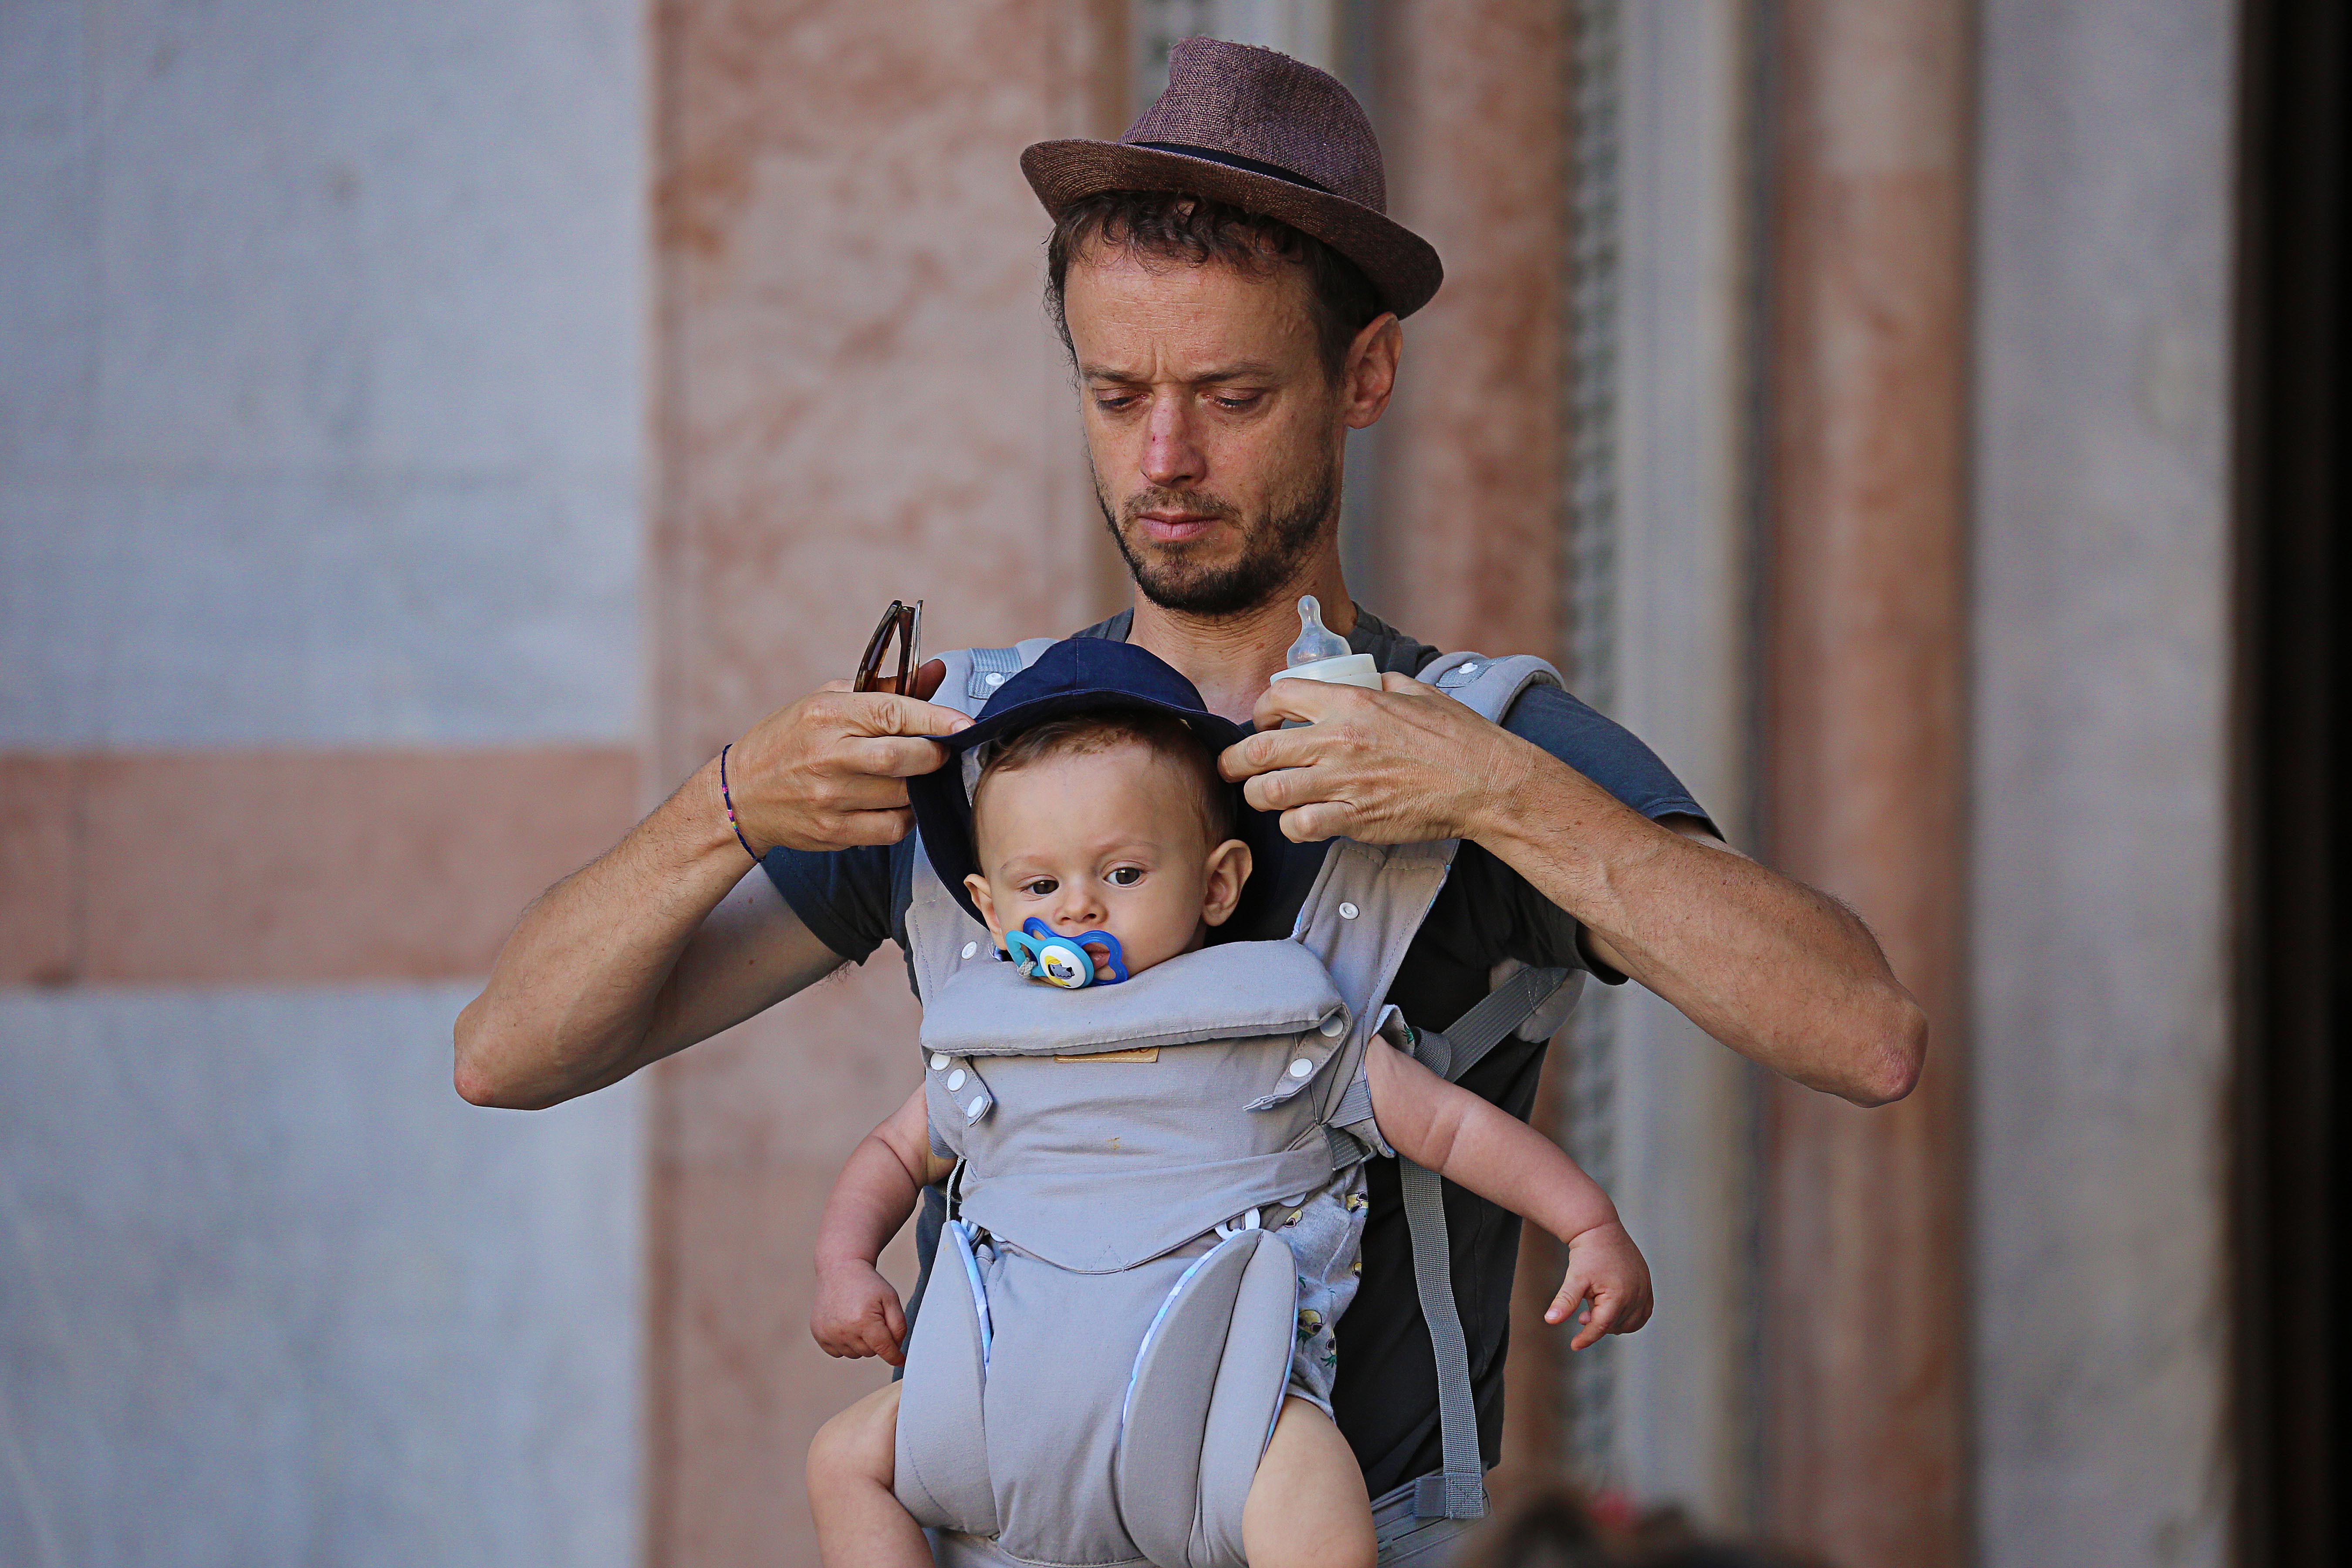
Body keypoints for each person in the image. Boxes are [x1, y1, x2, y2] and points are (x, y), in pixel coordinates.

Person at [454, 35, 1924, 1520]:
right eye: (1116, 396)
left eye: (1229, 397)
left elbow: (1863, 1035)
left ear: (1365, 374)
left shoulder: (1482, 742)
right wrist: (722, 808)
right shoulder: (967, 744)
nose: (1164, 457)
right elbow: (509, 1056)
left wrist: (1496, 796)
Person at [800, 652, 1653, 1568]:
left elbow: (1450, 1128)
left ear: (1217, 884)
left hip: (1221, 1419)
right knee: (843, 1460)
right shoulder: (991, 1038)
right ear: (989, 906)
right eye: (1041, 887)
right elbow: (893, 1155)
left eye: (1123, 874)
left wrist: (1587, 1222)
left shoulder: (1278, 1024)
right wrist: (845, 1261)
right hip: (990, 1405)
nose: (1080, 908)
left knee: (1320, 1514)